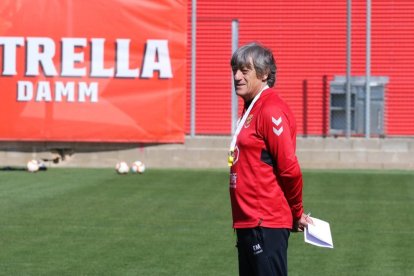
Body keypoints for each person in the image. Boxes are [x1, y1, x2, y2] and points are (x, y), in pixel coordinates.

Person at [228, 42, 312, 276]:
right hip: (248, 223)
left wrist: (297, 212)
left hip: (265, 223)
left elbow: (289, 169)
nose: (236, 76)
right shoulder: (251, 108)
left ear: (264, 74)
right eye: (235, 70)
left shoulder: (270, 109)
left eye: (244, 71)